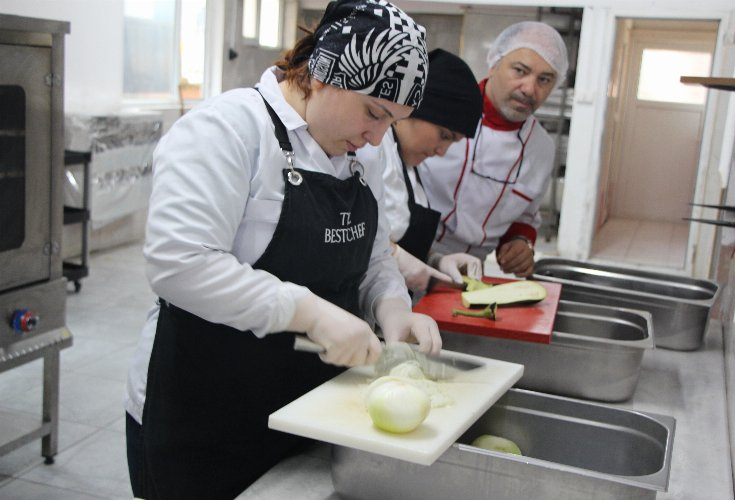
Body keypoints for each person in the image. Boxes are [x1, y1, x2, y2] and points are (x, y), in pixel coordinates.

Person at [123, 1, 440, 498]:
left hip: (310, 406)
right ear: (324, 72)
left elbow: (375, 256)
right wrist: (308, 312)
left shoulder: (364, 152)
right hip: (204, 413)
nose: (377, 136)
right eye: (374, 112)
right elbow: (178, 263)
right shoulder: (227, 129)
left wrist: (394, 309)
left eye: (393, 122)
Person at [419, 21, 569, 278]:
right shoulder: (440, 111)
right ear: (494, 63)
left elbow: (525, 216)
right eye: (520, 71)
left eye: (544, 80)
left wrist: (520, 242)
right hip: (408, 252)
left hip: (469, 272)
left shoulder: (541, 148)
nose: (529, 89)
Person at [359, 48, 484, 293]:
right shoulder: (370, 148)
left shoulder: (408, 165)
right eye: (444, 135)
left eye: (453, 142)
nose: (442, 151)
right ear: (414, 109)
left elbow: (399, 237)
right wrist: (396, 257)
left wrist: (434, 259)